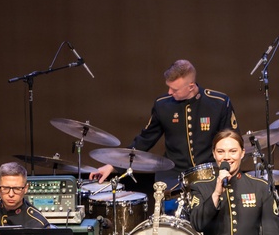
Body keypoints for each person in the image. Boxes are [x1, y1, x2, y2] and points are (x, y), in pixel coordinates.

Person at [90, 59, 239, 184]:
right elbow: (145, 139)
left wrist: (228, 170)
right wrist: (112, 165)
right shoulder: (162, 105)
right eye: (168, 87)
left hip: (210, 174)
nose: (169, 93)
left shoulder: (218, 103)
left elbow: (232, 140)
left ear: (191, 87)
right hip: (173, 176)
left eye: (174, 89)